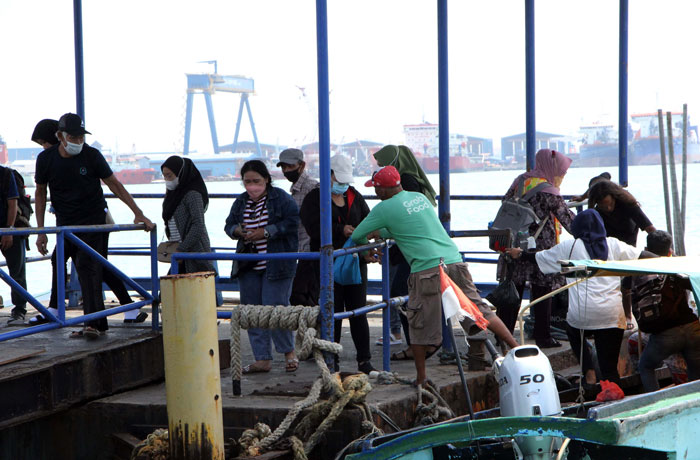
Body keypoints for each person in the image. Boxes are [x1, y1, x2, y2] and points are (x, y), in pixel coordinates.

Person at [352, 165, 519, 385]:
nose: (375, 193)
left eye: (375, 188)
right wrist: (383, 232)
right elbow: (409, 225)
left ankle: (422, 378)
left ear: (382, 189)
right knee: (480, 310)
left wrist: (369, 249)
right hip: (453, 259)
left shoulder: (383, 208)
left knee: (418, 323)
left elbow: (357, 235)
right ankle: (517, 350)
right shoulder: (419, 198)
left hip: (426, 268)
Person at [34, 113, 154, 339]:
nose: (78, 142)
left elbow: (114, 184)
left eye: (81, 137)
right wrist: (41, 232)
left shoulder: (92, 156)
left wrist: (138, 213)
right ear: (60, 136)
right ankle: (56, 308)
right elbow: (40, 193)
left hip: (94, 221)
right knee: (58, 259)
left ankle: (94, 323)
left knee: (87, 265)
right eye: (73, 137)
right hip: (65, 225)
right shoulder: (46, 159)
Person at [507, 209, 650, 385]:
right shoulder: (613, 244)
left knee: (573, 331)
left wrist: (519, 253)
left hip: (582, 315)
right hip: (612, 315)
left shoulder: (570, 246)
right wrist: (668, 259)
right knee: (609, 367)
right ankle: (612, 390)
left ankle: (588, 372)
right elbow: (643, 256)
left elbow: (538, 258)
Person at [300, 154, 377, 374]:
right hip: (327, 265)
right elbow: (312, 227)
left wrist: (368, 246)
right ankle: (331, 362)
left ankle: (365, 361)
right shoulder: (314, 198)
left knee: (358, 312)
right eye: (339, 180)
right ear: (328, 175)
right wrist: (339, 229)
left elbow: (368, 221)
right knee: (331, 314)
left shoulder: (355, 196)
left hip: (354, 262)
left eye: (345, 181)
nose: (342, 185)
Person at [224, 160, 299, 373]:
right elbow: (228, 225)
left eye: (256, 181)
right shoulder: (240, 202)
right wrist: (237, 231)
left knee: (276, 309)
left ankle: (288, 353)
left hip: (277, 263)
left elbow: (293, 222)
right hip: (248, 264)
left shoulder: (282, 198)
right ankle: (262, 358)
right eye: (247, 181)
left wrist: (266, 231)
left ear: (266, 179)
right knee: (252, 311)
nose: (252, 185)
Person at [498, 149, 575, 348]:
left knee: (513, 289)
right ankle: (543, 335)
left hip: (516, 241)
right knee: (542, 290)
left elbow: (505, 202)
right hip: (540, 246)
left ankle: (503, 335)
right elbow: (567, 220)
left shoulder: (521, 181)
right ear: (552, 169)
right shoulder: (548, 190)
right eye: (561, 172)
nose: (562, 176)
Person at [373, 144, 438, 354]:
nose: (382, 168)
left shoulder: (407, 181)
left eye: (384, 164)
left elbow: (404, 215)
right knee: (405, 293)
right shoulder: (412, 179)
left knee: (401, 293)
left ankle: (416, 344)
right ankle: (419, 341)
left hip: (410, 248)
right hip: (414, 246)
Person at [633, 230, 700, 392]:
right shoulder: (679, 268)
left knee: (646, 367)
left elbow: (629, 295)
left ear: (646, 248)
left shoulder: (638, 269)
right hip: (693, 327)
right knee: (696, 374)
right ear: (670, 251)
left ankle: (655, 402)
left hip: (665, 335)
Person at [587, 179, 656, 328]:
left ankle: (628, 315)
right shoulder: (597, 212)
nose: (608, 208)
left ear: (614, 197)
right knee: (608, 282)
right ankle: (607, 314)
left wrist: (660, 246)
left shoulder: (628, 205)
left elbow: (649, 227)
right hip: (608, 247)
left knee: (627, 282)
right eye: (603, 205)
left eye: (609, 203)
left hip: (628, 243)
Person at [276, 148, 319, 306]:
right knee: (303, 294)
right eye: (284, 167)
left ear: (302, 165)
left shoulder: (312, 188)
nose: (286, 171)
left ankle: (312, 328)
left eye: (290, 166)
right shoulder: (295, 190)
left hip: (308, 249)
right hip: (300, 249)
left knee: (301, 294)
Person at [161, 156, 215, 274]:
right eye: (164, 176)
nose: (167, 180)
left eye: (169, 176)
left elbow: (198, 224)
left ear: (180, 173)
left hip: (193, 252)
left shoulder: (193, 195)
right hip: (178, 254)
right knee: (171, 288)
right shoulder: (172, 195)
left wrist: (182, 248)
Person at [1, 165, 28, 325]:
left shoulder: (5, 175)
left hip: (9, 227)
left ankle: (19, 309)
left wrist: (9, 231)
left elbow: (13, 204)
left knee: (17, 271)